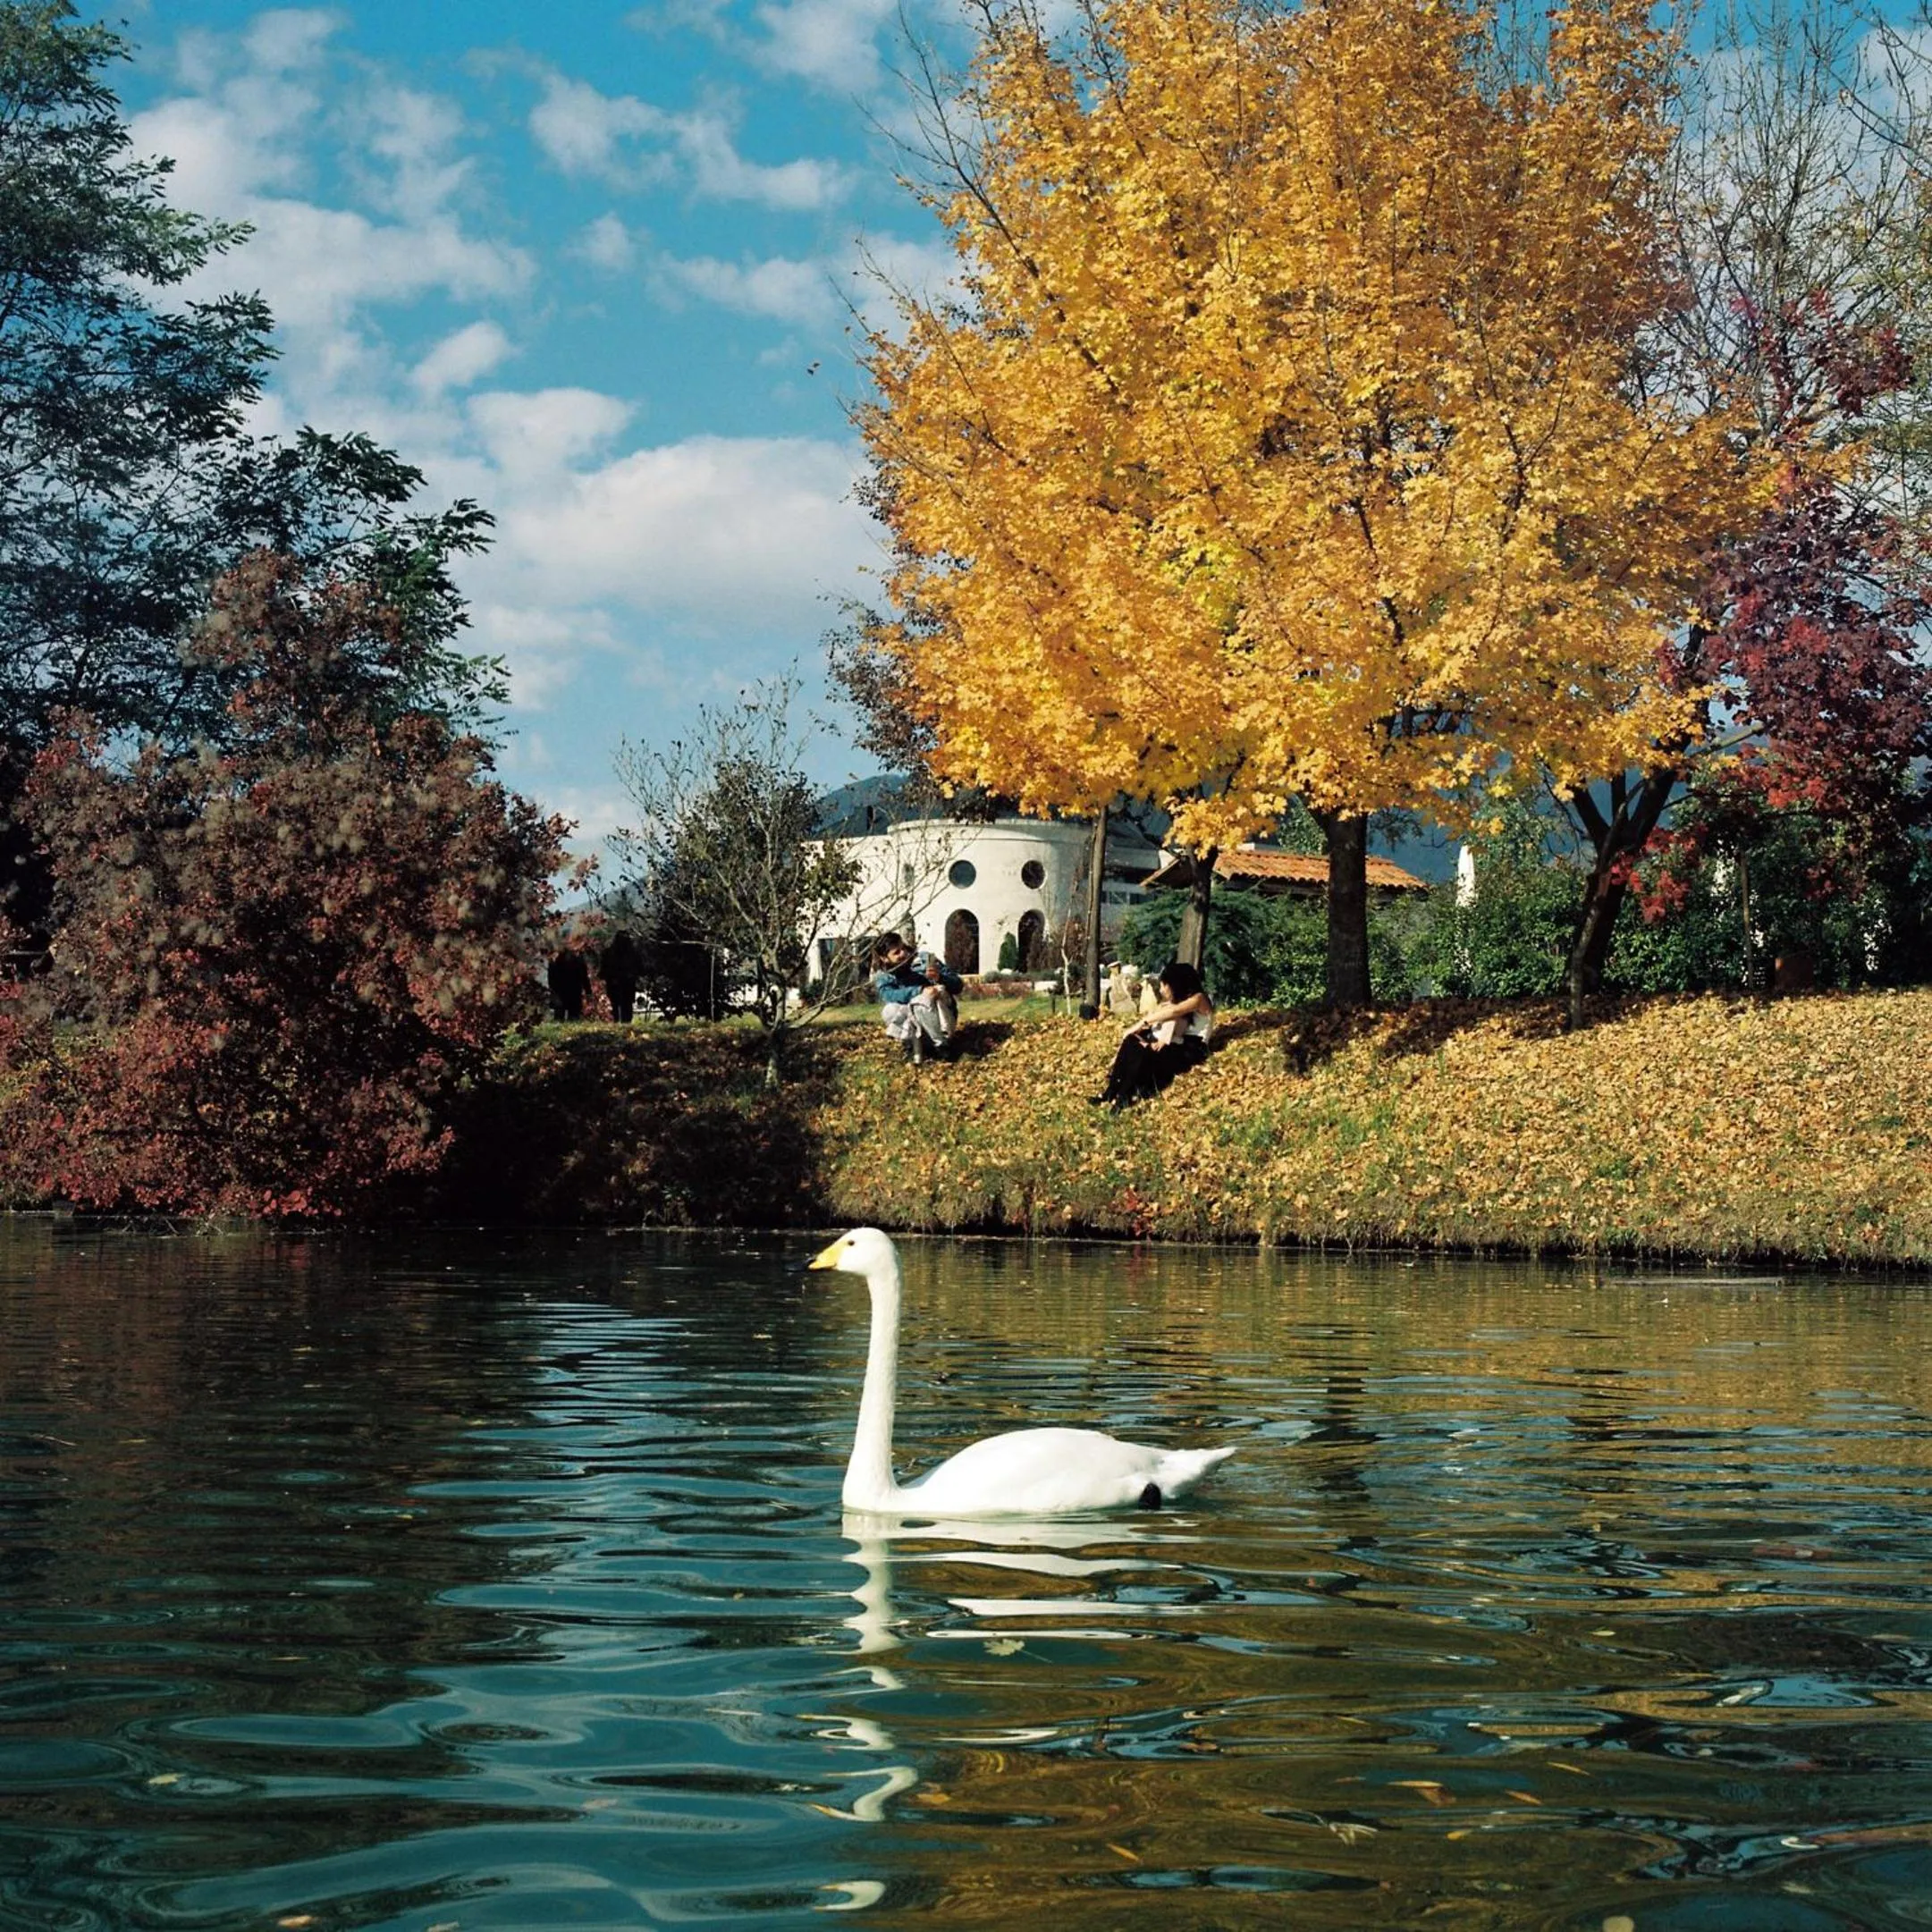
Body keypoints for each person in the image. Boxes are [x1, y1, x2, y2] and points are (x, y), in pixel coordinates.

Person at [1089, 958, 1214, 1107]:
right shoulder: (1183, 999)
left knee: (1143, 1051)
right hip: (1178, 1043)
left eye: (1165, 985)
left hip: (1192, 1049)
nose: (1163, 989)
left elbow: (1174, 1012)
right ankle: (1111, 1092)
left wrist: (1142, 1023)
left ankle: (1125, 1095)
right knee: (1131, 1042)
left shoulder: (1199, 998)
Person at [872, 932, 963, 1064]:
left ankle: (943, 1046)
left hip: (942, 1017)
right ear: (884, 958)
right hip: (917, 1021)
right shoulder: (884, 976)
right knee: (890, 1010)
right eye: (896, 952)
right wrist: (919, 990)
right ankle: (915, 1046)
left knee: (926, 999)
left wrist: (939, 977)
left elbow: (958, 985)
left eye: (902, 948)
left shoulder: (926, 959)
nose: (903, 953)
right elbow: (889, 995)